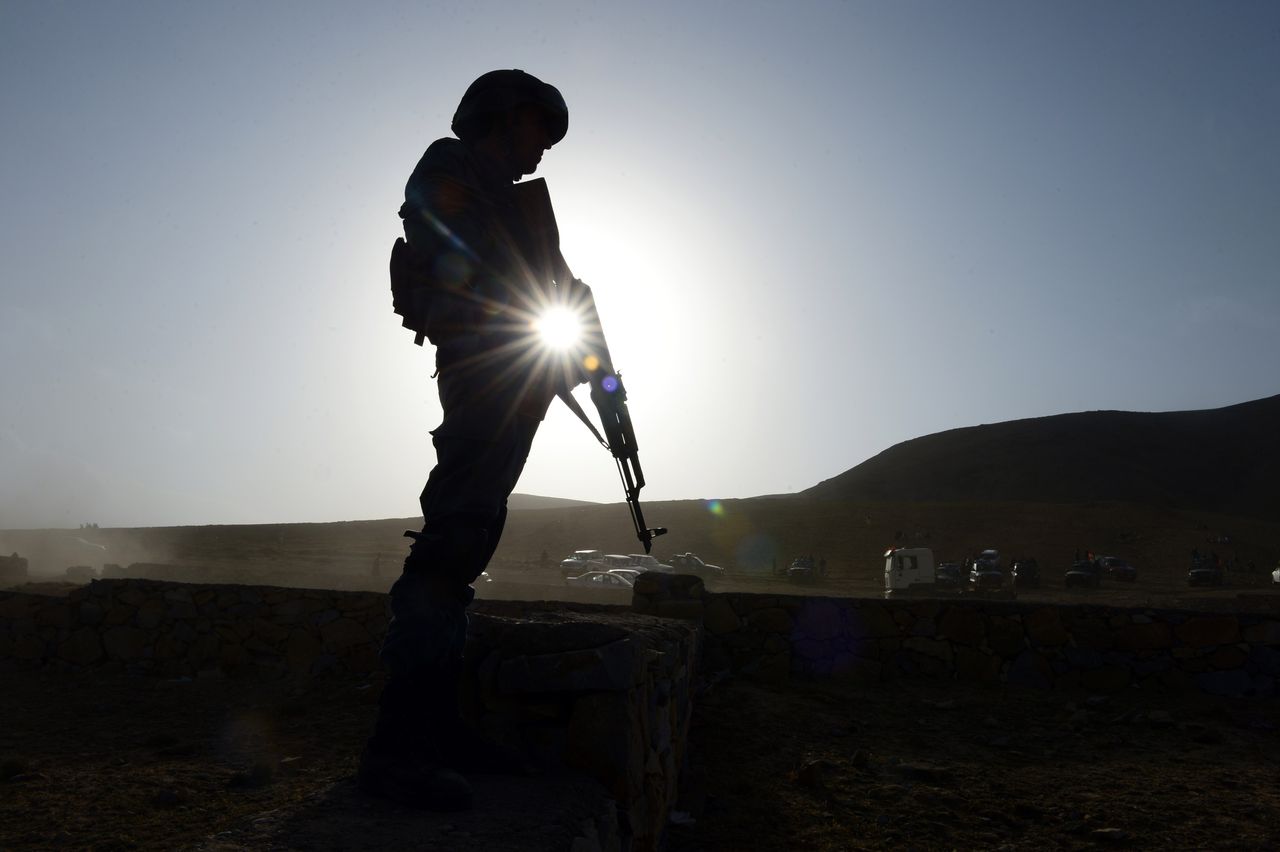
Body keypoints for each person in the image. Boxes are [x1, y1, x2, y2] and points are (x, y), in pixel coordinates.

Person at [358, 69, 577, 811]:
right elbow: (456, 243)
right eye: (534, 132)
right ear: (497, 117)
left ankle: (439, 730)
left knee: (472, 538)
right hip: (481, 368)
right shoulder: (450, 168)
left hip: (516, 377)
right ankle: (399, 748)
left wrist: (592, 361)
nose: (541, 150)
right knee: (450, 542)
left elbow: (562, 292)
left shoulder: (515, 203)